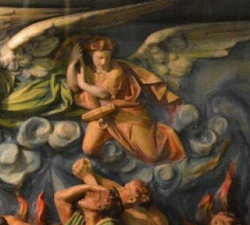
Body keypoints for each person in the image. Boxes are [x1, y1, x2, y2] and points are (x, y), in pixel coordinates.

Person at [66, 36, 186, 164]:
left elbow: (104, 93)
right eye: (100, 58)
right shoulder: (87, 70)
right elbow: (73, 86)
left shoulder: (116, 70)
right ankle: (115, 159)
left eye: (107, 57)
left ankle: (166, 135)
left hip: (126, 115)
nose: (104, 61)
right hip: (101, 116)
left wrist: (84, 85)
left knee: (152, 155)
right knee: (89, 148)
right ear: (91, 55)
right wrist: (72, 63)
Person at [73, 157, 171, 225]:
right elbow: (98, 182)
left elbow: (100, 201)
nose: (120, 189)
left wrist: (87, 176)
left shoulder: (134, 217)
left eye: (126, 189)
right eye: (125, 187)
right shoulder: (120, 191)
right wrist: (85, 169)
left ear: (133, 199)